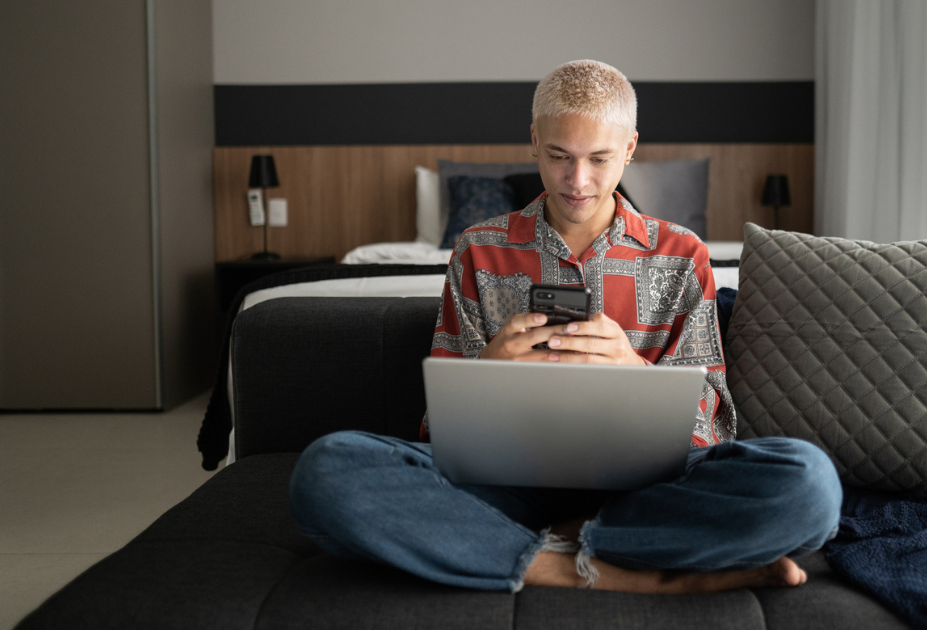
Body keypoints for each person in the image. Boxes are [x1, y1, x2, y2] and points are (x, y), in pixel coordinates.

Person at [289, 60, 841, 595]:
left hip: (649, 491)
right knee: (325, 472)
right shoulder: (480, 249)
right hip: (505, 484)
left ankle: (542, 543)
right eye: (558, 156)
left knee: (810, 486)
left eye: (599, 158)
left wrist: (633, 371)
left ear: (629, 149)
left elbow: (714, 423)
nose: (577, 181)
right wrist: (488, 374)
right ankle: (612, 572)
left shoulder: (682, 254)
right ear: (533, 141)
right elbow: (441, 433)